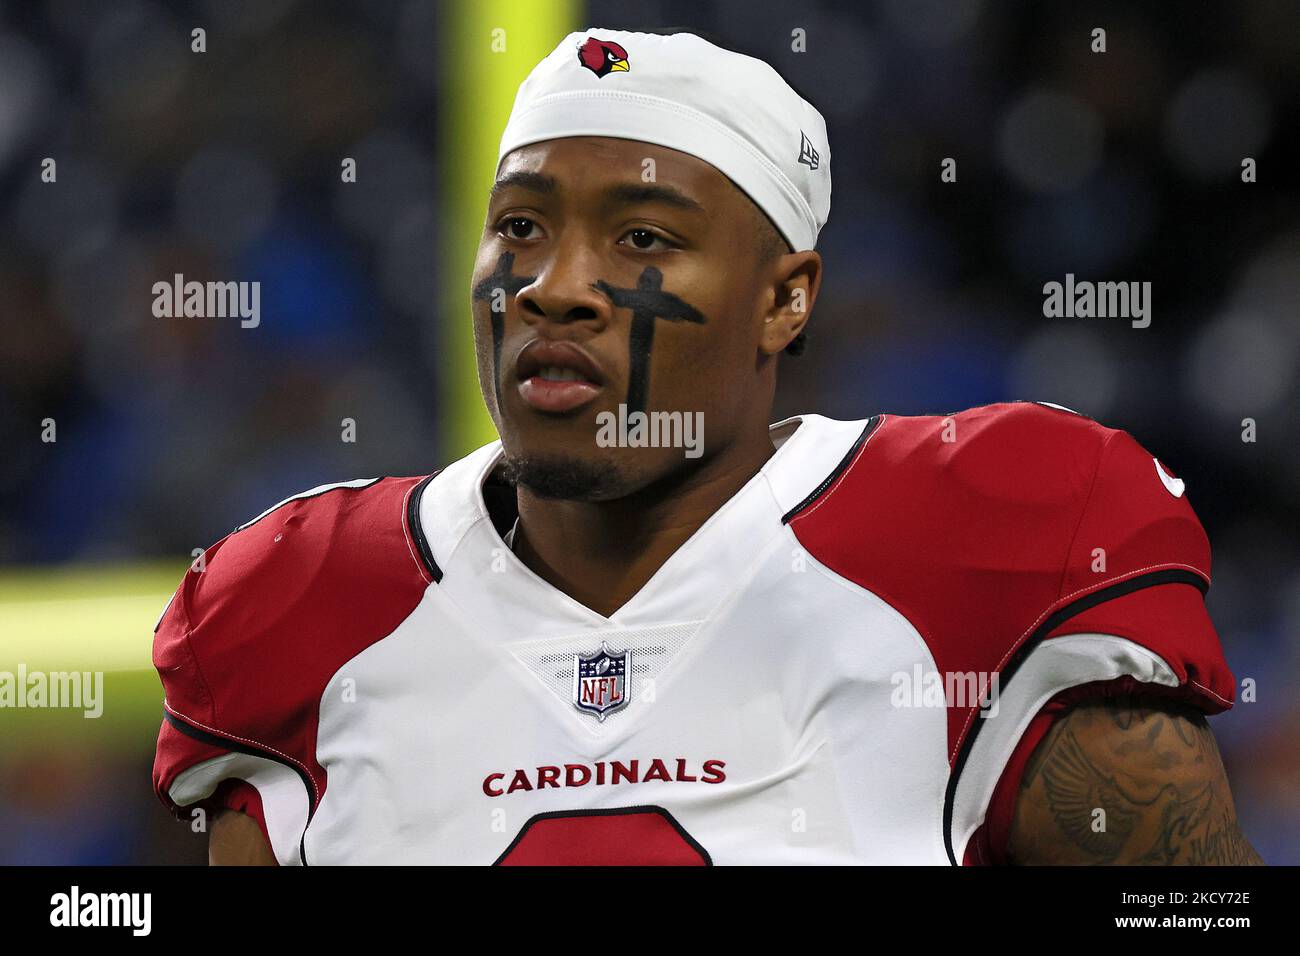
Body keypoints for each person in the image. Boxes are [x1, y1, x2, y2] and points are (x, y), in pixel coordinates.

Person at [152, 29, 1261, 865]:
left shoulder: (984, 536)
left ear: (785, 299)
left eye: (641, 238)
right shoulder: (299, 600)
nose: (556, 286)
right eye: (521, 226)